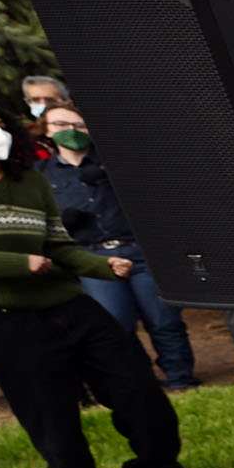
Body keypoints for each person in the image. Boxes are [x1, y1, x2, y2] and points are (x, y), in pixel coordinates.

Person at [0, 94, 189, 468]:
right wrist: (18, 263)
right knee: (50, 410)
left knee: (136, 384)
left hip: (66, 305)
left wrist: (102, 266)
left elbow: (58, 245)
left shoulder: (31, 182)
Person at [35, 104, 195, 390]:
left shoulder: (116, 161)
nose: (71, 131)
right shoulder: (42, 174)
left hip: (141, 252)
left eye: (79, 125)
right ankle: (140, 380)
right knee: (116, 326)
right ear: (46, 130)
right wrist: (63, 223)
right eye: (60, 124)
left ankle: (181, 379)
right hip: (93, 257)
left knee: (164, 322)